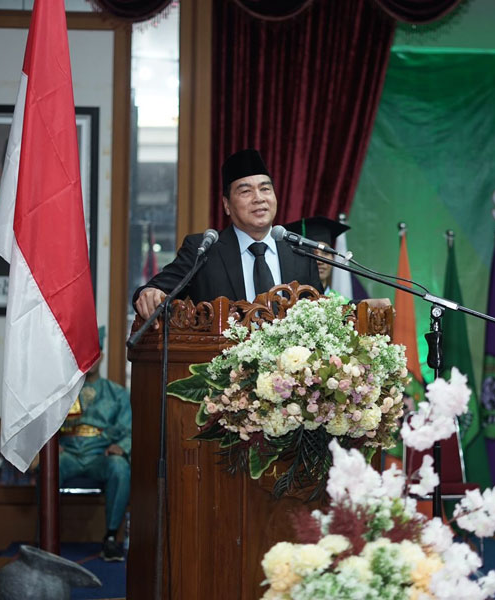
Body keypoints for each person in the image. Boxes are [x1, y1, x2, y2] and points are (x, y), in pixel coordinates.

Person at [133, 149, 323, 320]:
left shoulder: (300, 253)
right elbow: (156, 289)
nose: (259, 198)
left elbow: (319, 315)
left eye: (265, 189)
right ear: (226, 205)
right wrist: (150, 293)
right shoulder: (204, 250)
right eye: (246, 191)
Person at [58, 326, 132, 561]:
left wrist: (122, 447)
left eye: (94, 352)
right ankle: (46, 536)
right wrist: (51, 447)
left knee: (120, 467)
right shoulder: (62, 393)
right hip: (68, 453)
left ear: (101, 355)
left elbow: (129, 428)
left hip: (101, 455)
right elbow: (46, 425)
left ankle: (110, 538)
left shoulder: (117, 393)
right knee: (49, 466)